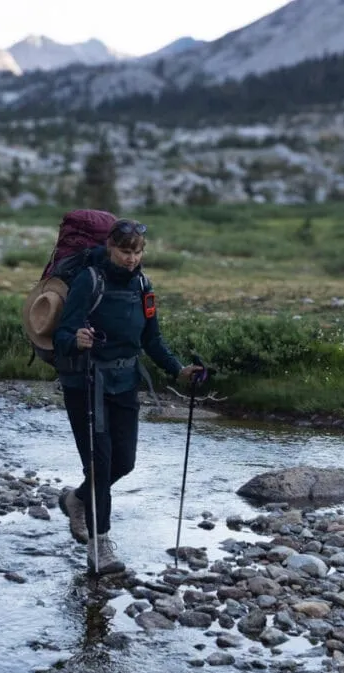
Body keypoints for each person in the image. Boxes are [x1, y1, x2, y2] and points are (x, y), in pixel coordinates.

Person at [53, 218, 201, 575]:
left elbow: (152, 340)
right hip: (87, 384)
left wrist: (178, 370)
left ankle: (76, 499)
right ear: (110, 247)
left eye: (137, 252)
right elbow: (61, 335)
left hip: (125, 382)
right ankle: (99, 546)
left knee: (125, 463)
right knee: (101, 467)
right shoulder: (90, 281)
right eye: (124, 251)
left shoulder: (143, 285)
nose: (131, 258)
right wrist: (77, 339)